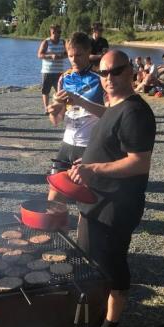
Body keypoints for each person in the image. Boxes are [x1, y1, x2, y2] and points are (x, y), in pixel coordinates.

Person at [67, 50, 156, 327]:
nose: (109, 78)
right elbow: (108, 130)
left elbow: (139, 163)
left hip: (117, 205)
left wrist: (93, 169)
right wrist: (88, 159)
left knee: (111, 266)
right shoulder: (114, 105)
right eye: (103, 73)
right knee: (93, 262)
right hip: (97, 199)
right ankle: (97, 316)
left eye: (115, 72)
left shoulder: (136, 112)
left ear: (131, 71)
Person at [46, 32, 105, 203]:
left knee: (86, 199)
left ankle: (84, 229)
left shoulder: (100, 80)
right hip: (67, 144)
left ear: (88, 52)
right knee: (54, 191)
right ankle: (54, 228)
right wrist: (55, 109)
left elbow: (110, 116)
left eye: (78, 55)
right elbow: (56, 121)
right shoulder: (64, 78)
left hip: (89, 146)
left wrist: (80, 101)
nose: (74, 60)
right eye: (70, 55)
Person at [38, 24, 67, 114]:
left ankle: (59, 108)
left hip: (59, 71)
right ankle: (46, 108)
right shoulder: (46, 42)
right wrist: (51, 56)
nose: (60, 34)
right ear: (52, 32)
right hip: (47, 71)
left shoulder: (63, 42)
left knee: (60, 91)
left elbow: (68, 53)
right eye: (58, 32)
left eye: (60, 32)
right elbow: (39, 55)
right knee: (45, 90)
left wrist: (63, 56)